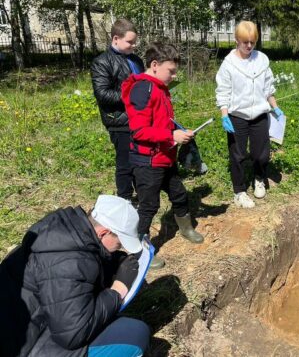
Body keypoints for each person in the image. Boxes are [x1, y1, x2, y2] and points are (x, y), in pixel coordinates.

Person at [0, 195, 150, 357]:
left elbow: (85, 259)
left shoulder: (65, 230)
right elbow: (73, 335)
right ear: (103, 233)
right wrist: (118, 290)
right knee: (135, 334)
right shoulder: (68, 263)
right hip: (26, 347)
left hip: (24, 328)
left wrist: (113, 261)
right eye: (119, 243)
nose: (119, 247)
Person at [122, 42, 204, 267]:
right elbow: (139, 131)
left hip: (165, 158)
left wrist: (178, 132)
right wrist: (171, 137)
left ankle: (186, 228)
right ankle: (138, 248)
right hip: (148, 161)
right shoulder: (142, 89)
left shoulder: (159, 88)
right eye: (172, 71)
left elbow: (162, 122)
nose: (175, 75)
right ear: (155, 65)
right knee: (148, 206)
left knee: (179, 194)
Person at [215, 20, 284, 209]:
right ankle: (239, 191)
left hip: (260, 114)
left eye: (252, 42)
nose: (249, 46)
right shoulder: (229, 64)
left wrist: (274, 107)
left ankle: (259, 178)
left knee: (261, 154)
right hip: (237, 116)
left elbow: (268, 87)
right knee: (237, 155)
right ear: (237, 40)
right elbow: (223, 91)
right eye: (245, 42)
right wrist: (224, 115)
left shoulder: (261, 59)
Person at [91, 19, 145, 201]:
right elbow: (103, 94)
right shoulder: (102, 62)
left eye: (134, 41)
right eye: (130, 42)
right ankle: (125, 200)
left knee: (140, 160)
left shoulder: (136, 60)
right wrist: (133, 96)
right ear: (116, 38)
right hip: (120, 121)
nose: (134, 45)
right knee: (125, 164)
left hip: (140, 118)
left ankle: (143, 194)